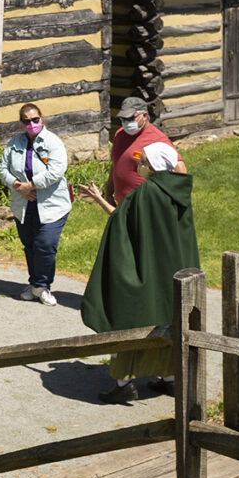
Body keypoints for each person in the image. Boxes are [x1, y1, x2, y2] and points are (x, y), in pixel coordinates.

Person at [78, 141, 200, 403]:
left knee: (131, 319)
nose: (140, 166)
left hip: (148, 270)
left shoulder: (147, 192)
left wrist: (100, 201)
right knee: (169, 320)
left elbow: (121, 223)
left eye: (143, 161)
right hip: (174, 272)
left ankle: (124, 383)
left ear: (155, 165)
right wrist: (100, 198)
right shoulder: (180, 191)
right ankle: (170, 378)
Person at [0, 102, 71, 306]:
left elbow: (57, 170)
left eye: (35, 119)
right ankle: (35, 284)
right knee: (29, 246)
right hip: (24, 205)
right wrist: (17, 185)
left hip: (52, 204)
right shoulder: (15, 143)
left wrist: (31, 185)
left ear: (42, 118)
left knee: (44, 245)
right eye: (27, 121)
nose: (31, 124)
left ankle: (42, 286)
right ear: (21, 123)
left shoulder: (53, 142)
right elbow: (3, 168)